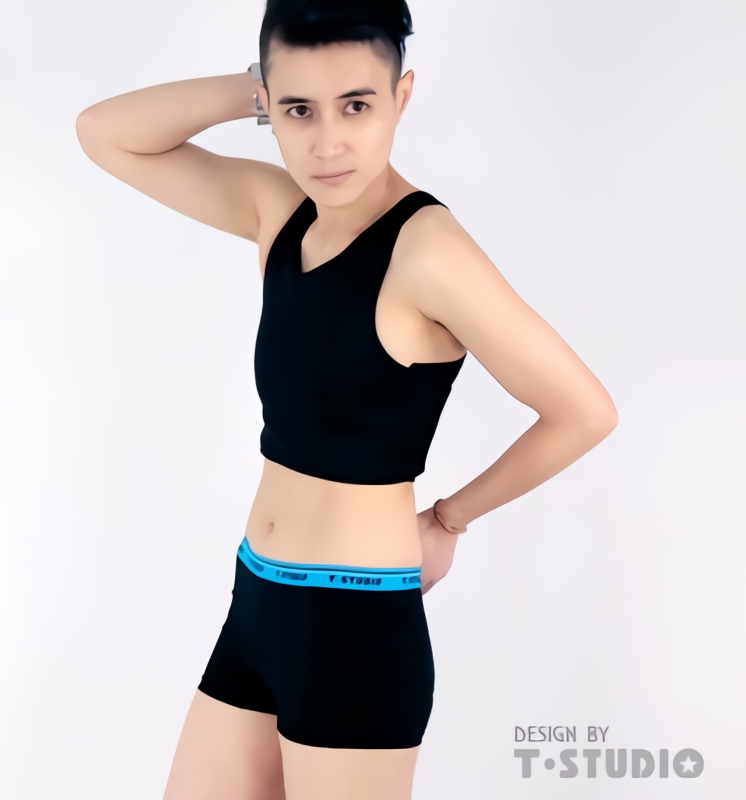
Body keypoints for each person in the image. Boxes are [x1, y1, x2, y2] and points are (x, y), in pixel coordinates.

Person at [75, 1, 618, 797]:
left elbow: (584, 411)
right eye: (299, 110)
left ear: (402, 97)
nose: (327, 143)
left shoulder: (428, 252)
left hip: (354, 629)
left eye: (356, 106)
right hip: (255, 604)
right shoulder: (279, 213)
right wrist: (259, 87)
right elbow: (104, 134)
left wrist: (449, 519)